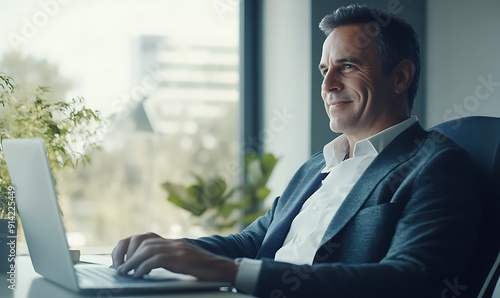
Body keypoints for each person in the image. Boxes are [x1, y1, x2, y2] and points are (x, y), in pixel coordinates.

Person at [111, 4, 481, 297]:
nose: (328, 84)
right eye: (324, 70)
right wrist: (171, 249)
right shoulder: (317, 166)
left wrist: (232, 272)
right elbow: (253, 241)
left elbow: (408, 280)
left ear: (400, 77)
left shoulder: (438, 166)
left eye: (347, 66)